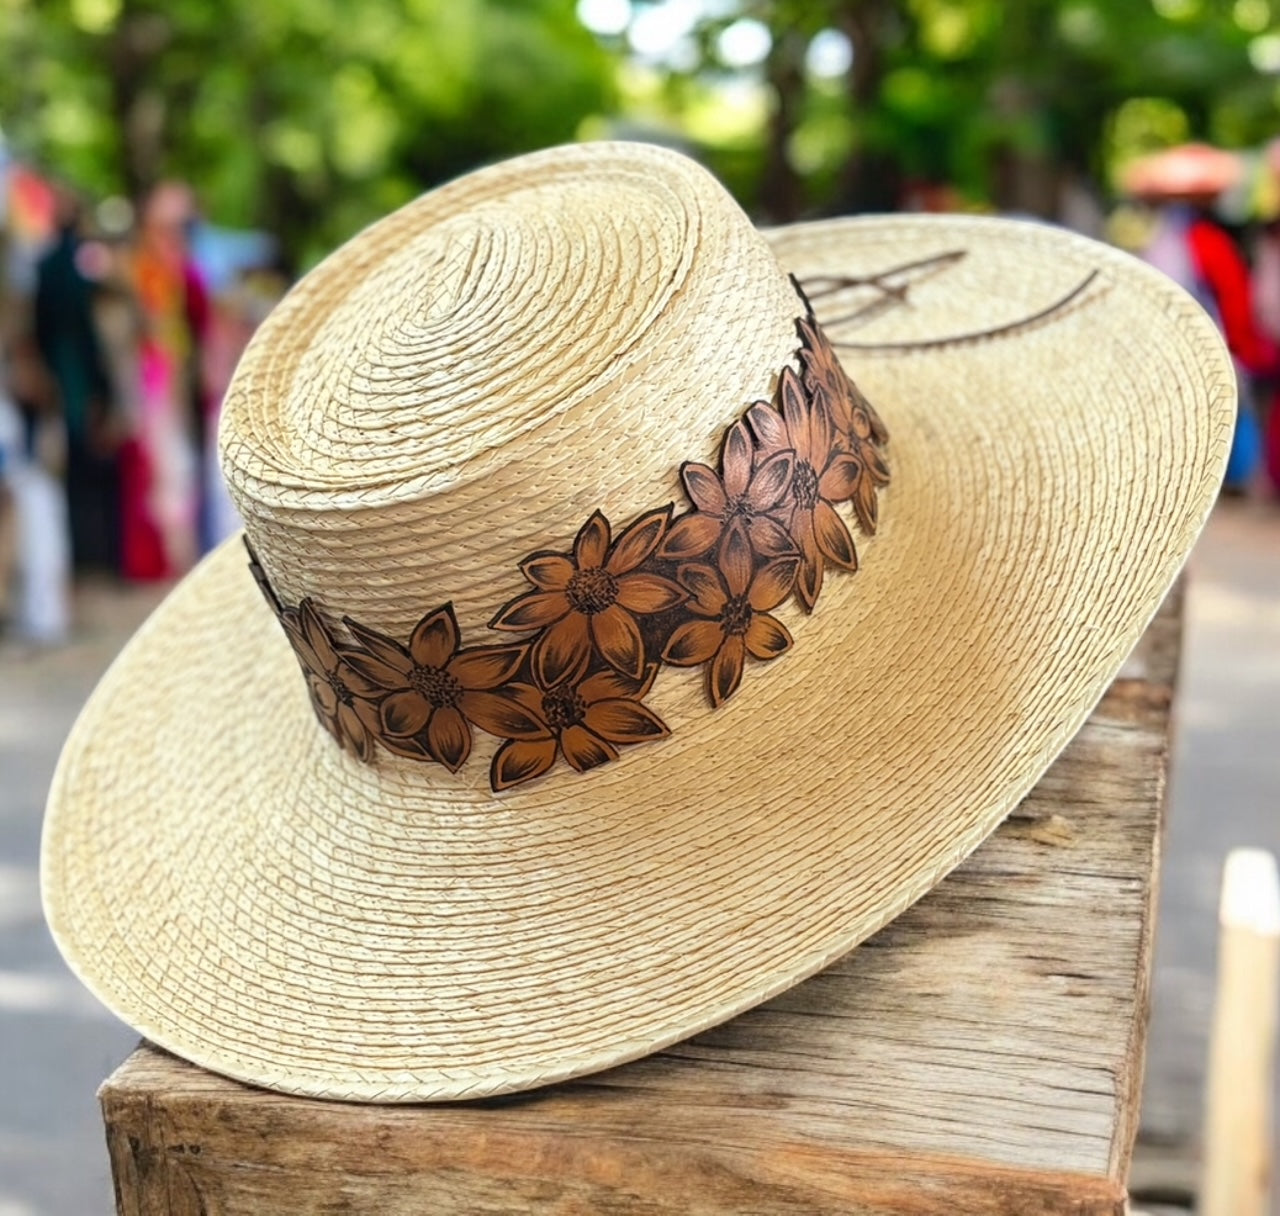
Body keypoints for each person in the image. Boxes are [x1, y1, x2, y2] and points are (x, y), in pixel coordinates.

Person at [120, 181, 208, 580]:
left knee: (175, 470)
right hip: (157, 379)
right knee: (167, 470)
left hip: (173, 377)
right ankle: (175, 561)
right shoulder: (144, 268)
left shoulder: (176, 265)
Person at [32, 188, 120, 572]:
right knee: (88, 463)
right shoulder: (80, 264)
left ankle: (82, 555)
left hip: (63, 371)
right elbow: (86, 329)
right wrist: (104, 387)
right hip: (76, 374)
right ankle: (93, 554)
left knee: (72, 468)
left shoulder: (47, 263)